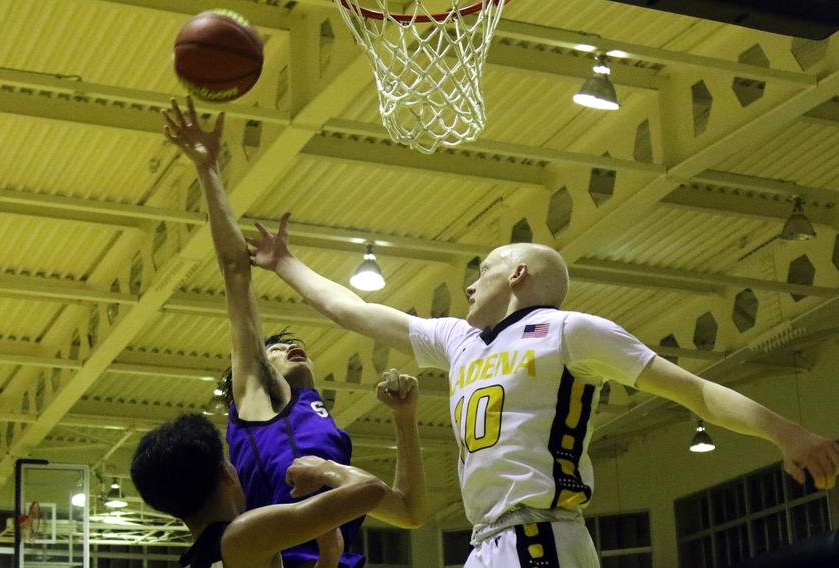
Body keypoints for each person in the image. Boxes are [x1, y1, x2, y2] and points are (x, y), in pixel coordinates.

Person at [247, 218, 839, 568]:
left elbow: (696, 392)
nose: (470, 283)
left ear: (517, 276)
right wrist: (286, 263)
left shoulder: (570, 331)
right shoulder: (457, 338)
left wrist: (785, 432)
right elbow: (352, 311)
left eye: (481, 271)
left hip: (540, 535)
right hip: (488, 541)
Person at [161, 97, 426, 568]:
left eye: (290, 343)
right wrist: (208, 170)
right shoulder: (259, 402)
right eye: (275, 347)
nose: (287, 346)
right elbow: (234, 272)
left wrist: (405, 420)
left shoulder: (329, 438)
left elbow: (410, 511)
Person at [131, 412, 384, 568]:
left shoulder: (207, 556)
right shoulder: (242, 536)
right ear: (227, 473)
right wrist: (322, 470)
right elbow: (372, 490)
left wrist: (329, 556)